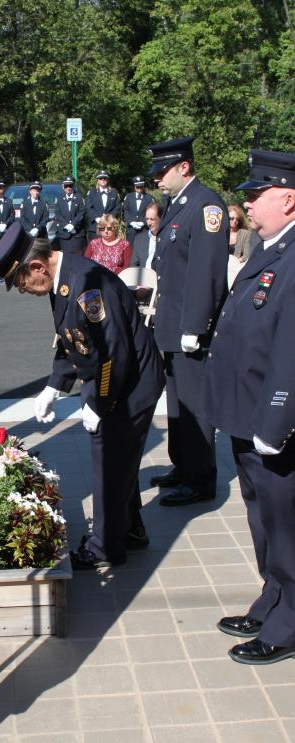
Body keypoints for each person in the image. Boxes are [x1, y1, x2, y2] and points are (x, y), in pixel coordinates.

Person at [0, 222, 165, 568]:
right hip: (115, 379)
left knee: (108, 463)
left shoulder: (86, 286)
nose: (23, 290)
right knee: (120, 461)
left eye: (20, 282)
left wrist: (98, 404)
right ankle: (130, 529)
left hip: (129, 384)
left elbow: (113, 353)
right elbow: (72, 339)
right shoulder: (63, 278)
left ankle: (105, 548)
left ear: (36, 266)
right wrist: (55, 385)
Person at [203, 149, 295, 665]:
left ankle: (287, 624)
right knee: (262, 518)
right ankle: (273, 598)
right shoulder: (269, 248)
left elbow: (291, 348)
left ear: (289, 198)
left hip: (272, 420)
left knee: (286, 524)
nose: (248, 205)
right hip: (246, 414)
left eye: (257, 195)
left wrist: (277, 420)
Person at [147, 136, 229, 505]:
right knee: (178, 405)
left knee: (195, 407)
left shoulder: (205, 205)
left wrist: (195, 326)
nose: (157, 179)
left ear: (185, 167)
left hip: (189, 329)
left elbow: (206, 272)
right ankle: (184, 467)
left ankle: (200, 480)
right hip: (172, 325)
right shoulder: (178, 203)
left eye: (163, 171)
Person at [85, 170, 121, 241]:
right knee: (95, 249)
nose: (103, 180)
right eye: (101, 178)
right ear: (97, 180)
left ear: (108, 180)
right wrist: (97, 218)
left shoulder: (114, 192)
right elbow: (88, 207)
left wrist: (109, 218)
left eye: (105, 178)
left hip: (110, 226)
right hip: (95, 226)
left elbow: (117, 207)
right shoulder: (92, 192)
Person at [54, 177, 86, 255]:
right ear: (63, 186)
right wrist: (66, 225)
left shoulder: (79, 197)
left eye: (70, 186)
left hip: (77, 234)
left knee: (78, 258)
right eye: (66, 186)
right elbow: (58, 214)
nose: (68, 188)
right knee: (66, 258)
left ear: (73, 186)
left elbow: (82, 212)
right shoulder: (59, 198)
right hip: (64, 234)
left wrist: (73, 224)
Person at [122, 176, 155, 244]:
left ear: (143, 186)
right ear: (134, 187)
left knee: (143, 249)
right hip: (131, 229)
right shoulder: (128, 197)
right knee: (130, 250)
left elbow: (150, 213)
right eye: (137, 187)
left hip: (144, 229)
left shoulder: (149, 198)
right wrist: (131, 222)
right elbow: (125, 211)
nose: (139, 189)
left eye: (141, 187)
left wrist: (143, 222)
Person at [130, 201, 163, 269]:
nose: (149, 223)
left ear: (161, 218)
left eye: (152, 219)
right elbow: (133, 265)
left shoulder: (167, 239)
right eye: (147, 219)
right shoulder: (139, 239)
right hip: (142, 277)